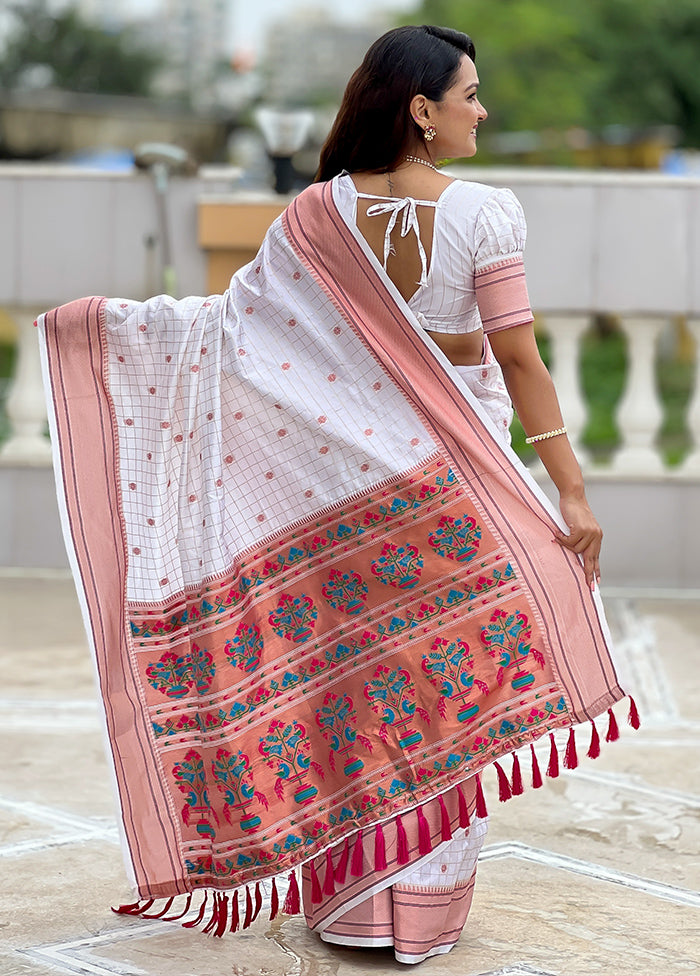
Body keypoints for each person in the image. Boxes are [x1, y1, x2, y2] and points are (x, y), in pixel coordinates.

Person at [37, 23, 633, 969]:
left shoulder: (316, 215)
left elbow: (238, 341)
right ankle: (421, 913)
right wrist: (571, 491)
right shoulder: (486, 214)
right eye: (471, 94)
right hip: (450, 492)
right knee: (442, 694)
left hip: (342, 499)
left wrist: (109, 331)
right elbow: (517, 356)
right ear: (422, 111)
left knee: (355, 694)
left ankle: (354, 911)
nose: (484, 109)